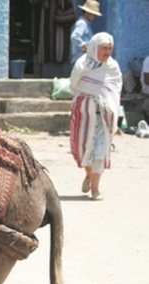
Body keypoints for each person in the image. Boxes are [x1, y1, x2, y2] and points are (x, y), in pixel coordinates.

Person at [69, 32, 122, 201]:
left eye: (110, 48)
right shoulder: (82, 64)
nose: (107, 52)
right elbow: (74, 85)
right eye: (104, 48)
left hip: (104, 116)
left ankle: (96, 188)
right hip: (84, 112)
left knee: (100, 151)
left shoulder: (112, 67)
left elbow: (114, 89)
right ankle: (89, 174)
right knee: (82, 149)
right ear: (94, 48)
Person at [70, 0, 101, 67]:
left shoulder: (86, 25)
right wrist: (85, 46)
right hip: (81, 59)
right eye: (94, 14)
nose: (95, 17)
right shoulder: (82, 24)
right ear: (88, 13)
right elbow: (74, 36)